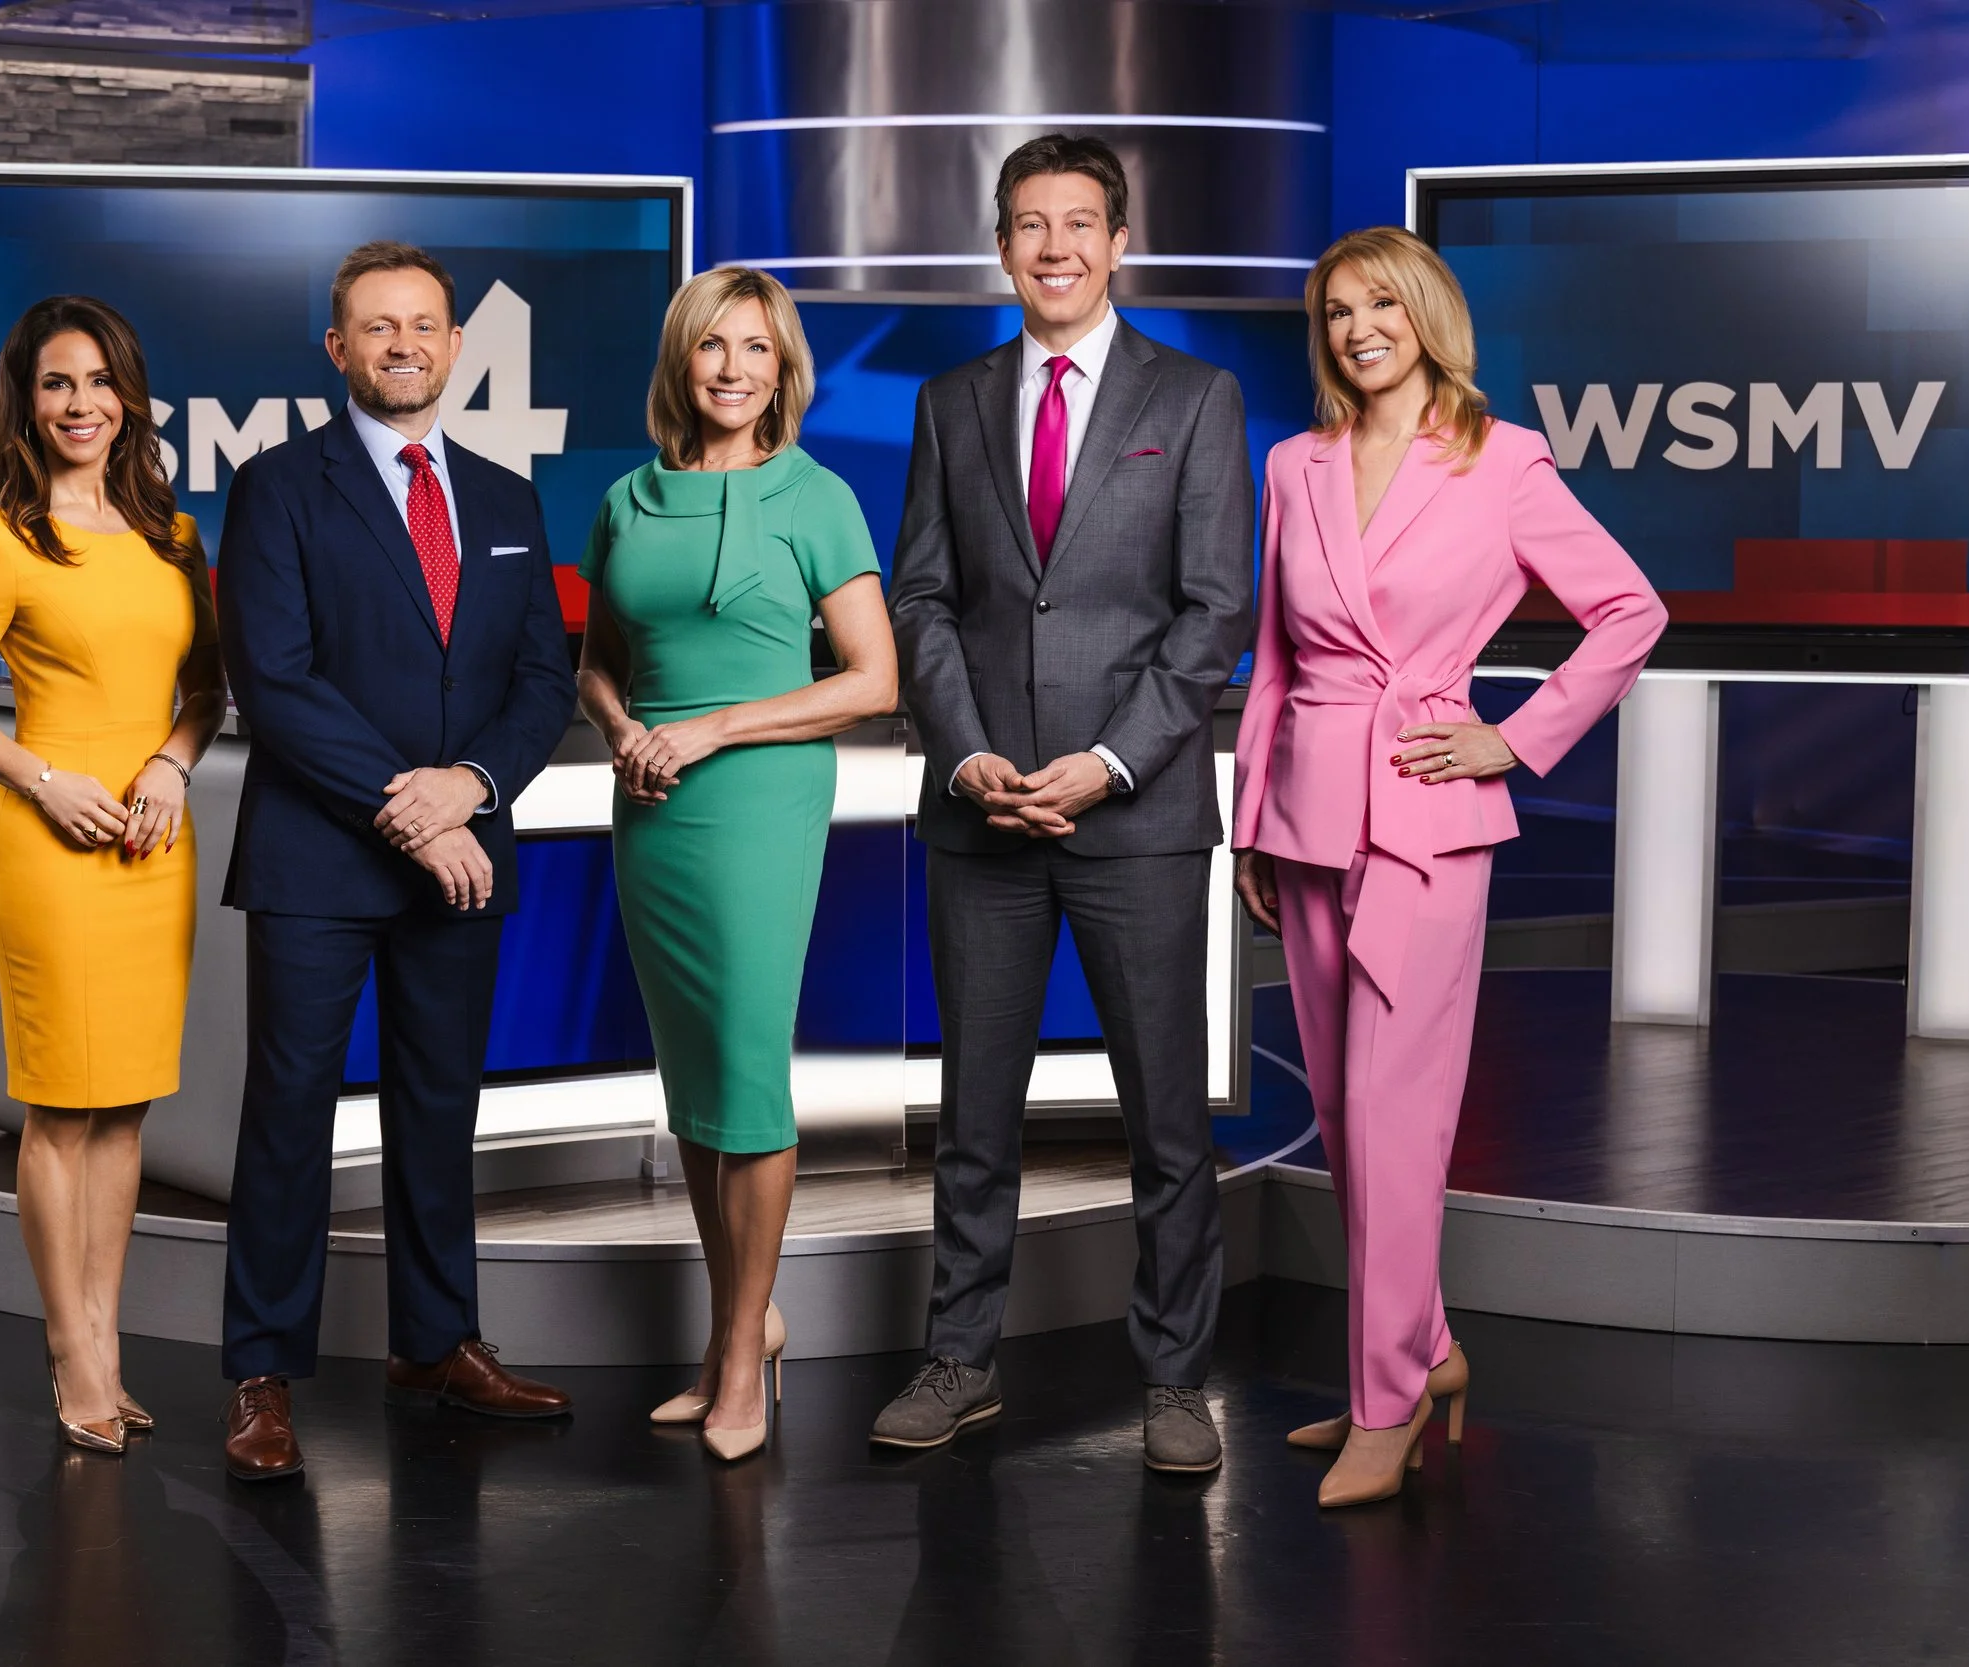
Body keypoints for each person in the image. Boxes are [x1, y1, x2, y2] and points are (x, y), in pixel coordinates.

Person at [1231, 226, 1665, 1506]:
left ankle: (1385, 1402)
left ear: (1426, 315)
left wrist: (1513, 737)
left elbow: (1630, 610)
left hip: (1425, 815)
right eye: (1334, 310)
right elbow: (1274, 658)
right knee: (1345, 1115)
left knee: (1398, 1118)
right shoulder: (1294, 463)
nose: (1356, 328)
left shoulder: (1501, 458)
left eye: (1379, 303)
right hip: (1307, 814)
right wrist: (1251, 818)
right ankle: (1424, 1351)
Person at [879, 134, 1254, 1471]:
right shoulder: (950, 400)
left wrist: (1107, 760)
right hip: (982, 813)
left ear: (1118, 242)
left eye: (1079, 222)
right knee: (975, 1115)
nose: (1055, 246)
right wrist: (966, 749)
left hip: (1134, 817)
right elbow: (921, 596)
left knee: (1165, 1117)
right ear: (1001, 247)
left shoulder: (1195, 397)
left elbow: (1214, 612)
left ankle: (1175, 1376)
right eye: (1030, 224)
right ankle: (959, 1356)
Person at [213, 241, 578, 1482]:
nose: (402, 345)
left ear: (456, 343)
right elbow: (273, 680)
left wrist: (471, 786)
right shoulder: (277, 487)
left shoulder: (508, 497)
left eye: (423, 325)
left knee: (440, 1104)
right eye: (377, 327)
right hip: (320, 858)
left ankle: (436, 1341)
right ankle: (262, 1371)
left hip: (462, 856)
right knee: (288, 1114)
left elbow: (542, 680)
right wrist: (418, 812)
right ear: (338, 348)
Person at [575, 267, 897, 1462]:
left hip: (759, 797)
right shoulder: (626, 500)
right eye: (713, 346)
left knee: (749, 1069)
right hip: (652, 804)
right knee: (696, 1079)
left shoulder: (817, 496)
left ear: (782, 370)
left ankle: (742, 1354)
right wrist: (621, 728)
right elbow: (598, 661)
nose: (732, 369)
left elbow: (872, 680)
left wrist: (712, 728)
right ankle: (738, 1331)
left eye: (755, 349)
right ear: (683, 360)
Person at [0, 295, 227, 1454]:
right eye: (56, 382)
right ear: (25, 401)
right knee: (60, 1106)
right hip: (52, 845)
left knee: (125, 1104)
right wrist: (46, 779)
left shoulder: (174, 536)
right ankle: (73, 1348)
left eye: (99, 380)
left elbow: (206, 692)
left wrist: (171, 767)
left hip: (152, 841)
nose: (80, 402)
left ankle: (106, 1334)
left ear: (129, 397)